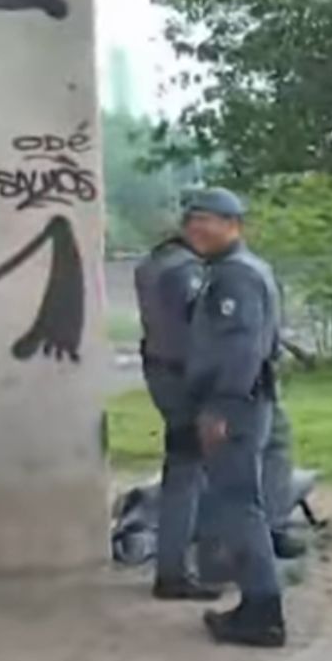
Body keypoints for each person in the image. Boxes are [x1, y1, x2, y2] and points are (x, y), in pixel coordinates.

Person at [183, 187, 286, 648]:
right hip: (244, 402)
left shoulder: (235, 278)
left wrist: (221, 407)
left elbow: (242, 349)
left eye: (208, 218)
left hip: (235, 406)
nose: (196, 228)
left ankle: (262, 612)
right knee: (241, 503)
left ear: (233, 223)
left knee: (240, 507)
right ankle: (254, 604)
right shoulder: (236, 270)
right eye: (191, 220)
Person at [134, 226, 218, 601]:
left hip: (159, 370)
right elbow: (196, 327)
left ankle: (179, 566)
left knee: (184, 468)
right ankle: (175, 570)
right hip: (185, 377)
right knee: (188, 473)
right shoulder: (186, 270)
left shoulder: (150, 265)